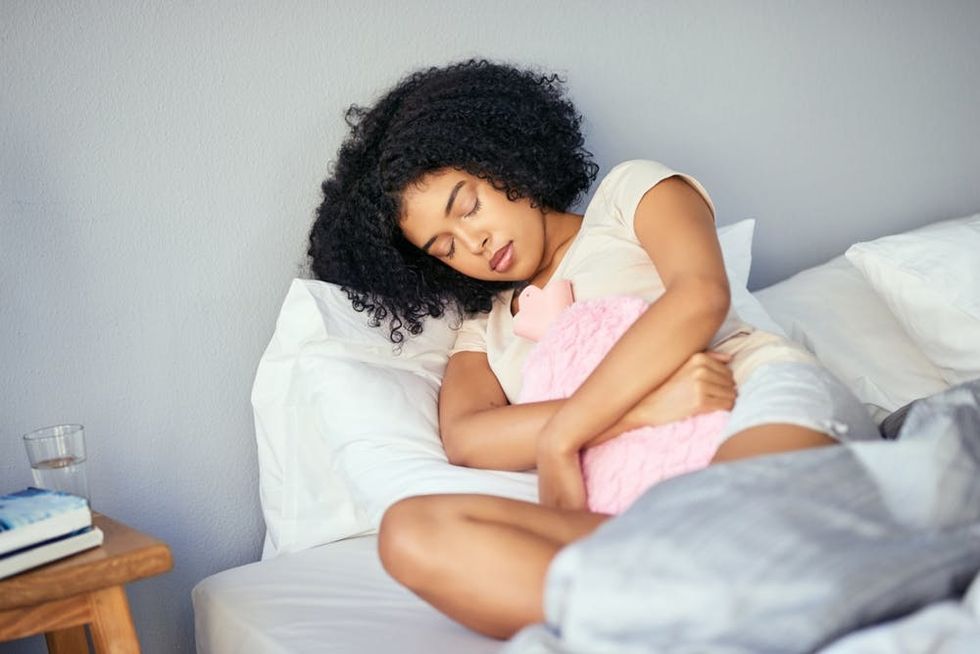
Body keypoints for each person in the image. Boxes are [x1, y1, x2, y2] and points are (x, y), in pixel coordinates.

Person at [306, 59, 881, 640]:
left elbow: (699, 295)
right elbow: (468, 438)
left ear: (501, 160)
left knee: (734, 526)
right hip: (638, 502)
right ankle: (708, 604)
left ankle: (684, 603)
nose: (473, 242)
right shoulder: (484, 329)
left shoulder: (630, 197)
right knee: (410, 533)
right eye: (444, 245)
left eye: (469, 205)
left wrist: (561, 436)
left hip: (749, 400)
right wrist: (628, 415)